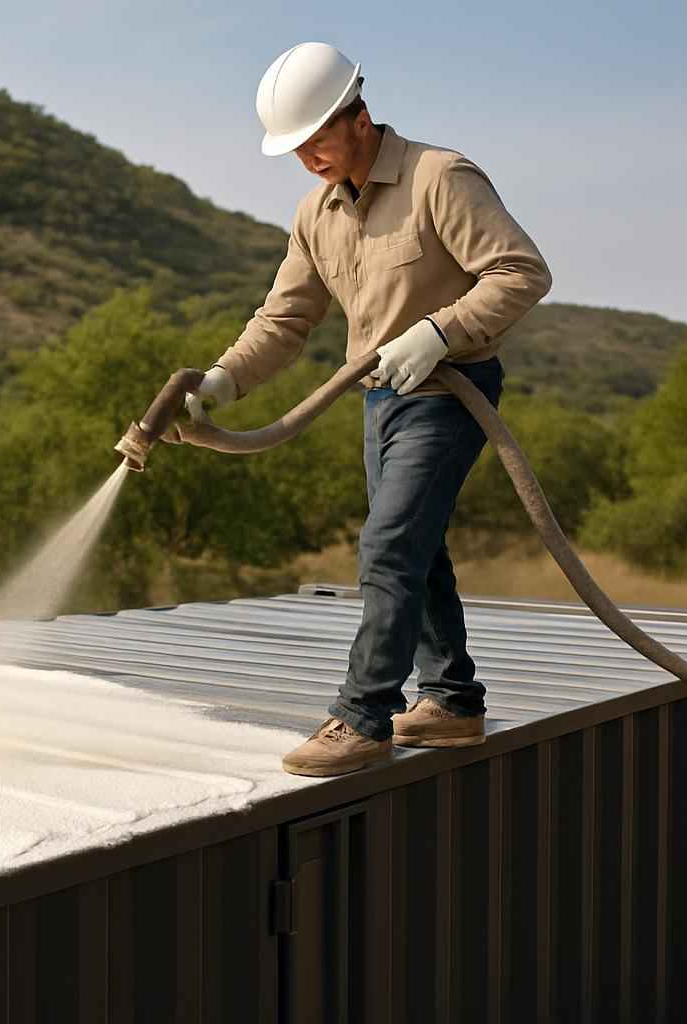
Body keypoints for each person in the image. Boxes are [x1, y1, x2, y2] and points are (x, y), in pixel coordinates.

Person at [188, 42, 552, 777]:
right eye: (294, 148)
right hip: (379, 401)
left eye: (316, 138)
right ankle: (451, 701)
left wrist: (439, 330)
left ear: (358, 114)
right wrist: (224, 380)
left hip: (452, 393)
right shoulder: (315, 212)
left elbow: (521, 271)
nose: (307, 158)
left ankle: (363, 716)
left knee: (388, 546)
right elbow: (284, 320)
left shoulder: (437, 177)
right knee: (416, 546)